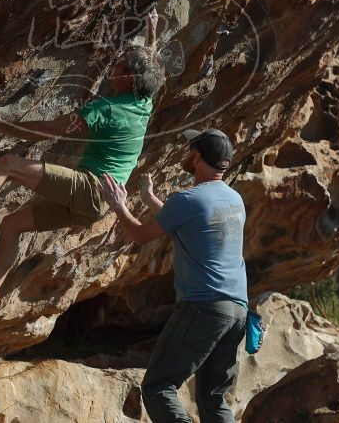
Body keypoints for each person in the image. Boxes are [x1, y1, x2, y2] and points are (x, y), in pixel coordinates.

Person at [0, 9, 164, 322]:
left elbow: (53, 129)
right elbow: (150, 68)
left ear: (128, 78)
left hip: (92, 187)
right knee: (12, 225)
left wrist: (2, 126)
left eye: (120, 66)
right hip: (99, 204)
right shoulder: (142, 102)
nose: (114, 67)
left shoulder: (107, 108)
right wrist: (152, 34)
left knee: (8, 165)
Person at [99, 128, 248, 423]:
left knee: (158, 387)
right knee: (213, 398)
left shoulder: (189, 199)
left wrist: (119, 206)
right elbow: (189, 222)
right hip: (238, 310)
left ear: (197, 157)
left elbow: (141, 235)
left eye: (189, 149)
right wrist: (150, 198)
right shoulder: (233, 200)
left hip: (204, 307)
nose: (185, 153)